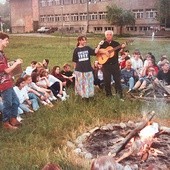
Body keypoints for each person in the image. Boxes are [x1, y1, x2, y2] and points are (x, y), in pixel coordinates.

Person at [0, 32, 23, 130]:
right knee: (7, 103)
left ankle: (13, 118)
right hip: (3, 84)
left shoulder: (2, 54)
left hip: (8, 82)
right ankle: (6, 123)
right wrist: (16, 63)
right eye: (6, 40)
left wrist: (12, 63)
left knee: (16, 102)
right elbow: (6, 70)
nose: (7, 42)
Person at [98, 30, 125, 98]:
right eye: (107, 35)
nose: (109, 36)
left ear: (112, 36)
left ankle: (119, 95)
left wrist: (123, 48)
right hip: (106, 65)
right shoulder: (102, 43)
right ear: (105, 36)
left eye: (110, 34)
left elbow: (121, 52)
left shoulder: (116, 43)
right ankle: (108, 95)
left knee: (117, 80)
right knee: (107, 81)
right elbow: (97, 50)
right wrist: (104, 51)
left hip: (115, 64)